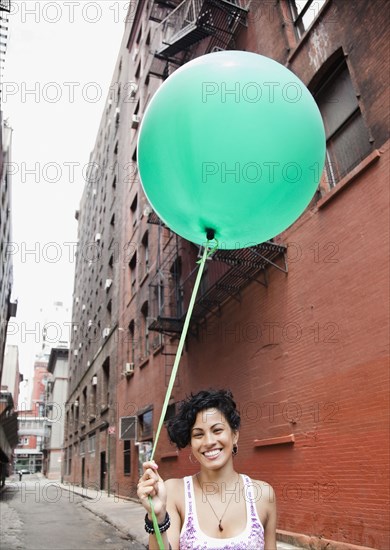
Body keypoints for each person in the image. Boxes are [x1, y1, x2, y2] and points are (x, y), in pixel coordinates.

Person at [137, 389, 277, 549]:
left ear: (235, 435)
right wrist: (157, 516)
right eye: (198, 435)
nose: (209, 441)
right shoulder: (174, 491)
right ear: (191, 442)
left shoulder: (264, 494)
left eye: (217, 430)